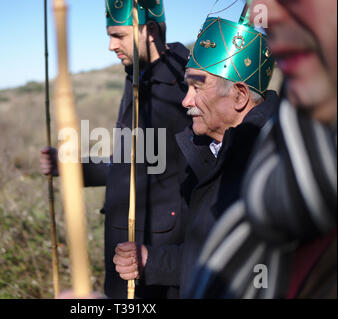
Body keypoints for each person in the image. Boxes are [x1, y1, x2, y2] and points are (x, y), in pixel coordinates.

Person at [114, 13, 279, 298]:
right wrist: (151, 261)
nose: (185, 100)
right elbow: (206, 254)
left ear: (239, 96)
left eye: (197, 87)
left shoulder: (274, 166)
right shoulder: (208, 150)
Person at [186, 0, 337, 299]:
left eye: (197, 87)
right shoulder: (270, 168)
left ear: (240, 95)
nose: (264, 10)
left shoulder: (265, 165)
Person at [41, 0, 191, 298]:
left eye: (119, 35)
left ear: (148, 31)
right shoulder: (137, 74)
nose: (110, 45)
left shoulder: (183, 88)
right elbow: (128, 162)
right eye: (109, 35)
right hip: (124, 248)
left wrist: (167, 261)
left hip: (155, 261)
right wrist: (71, 168)